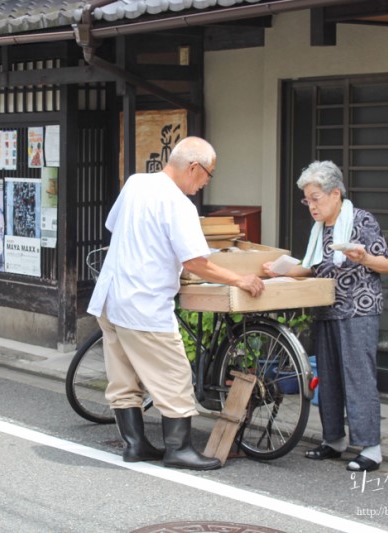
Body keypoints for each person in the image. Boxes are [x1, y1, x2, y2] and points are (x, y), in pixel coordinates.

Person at [87, 136, 265, 471]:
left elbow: (115, 227)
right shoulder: (178, 204)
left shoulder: (136, 184)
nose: (205, 183)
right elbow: (197, 261)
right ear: (194, 167)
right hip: (143, 303)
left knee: (124, 377)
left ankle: (135, 445)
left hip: (111, 297)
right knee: (175, 376)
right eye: (207, 175)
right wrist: (240, 279)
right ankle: (179, 449)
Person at [263, 160, 388, 473]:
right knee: (331, 378)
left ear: (335, 194)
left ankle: (371, 449)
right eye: (306, 199)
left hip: (358, 310)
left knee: (359, 377)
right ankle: (334, 440)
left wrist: (364, 257)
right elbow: (311, 266)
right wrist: (278, 270)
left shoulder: (361, 220)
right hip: (327, 309)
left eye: (315, 198)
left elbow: (387, 265)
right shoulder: (320, 229)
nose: (311, 206)